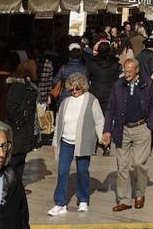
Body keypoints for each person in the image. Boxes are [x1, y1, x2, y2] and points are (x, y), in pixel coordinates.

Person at [102, 58, 153, 211]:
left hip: (142, 128)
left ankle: (140, 194)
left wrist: (150, 125)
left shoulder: (147, 83)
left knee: (139, 164)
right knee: (122, 166)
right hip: (122, 129)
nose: (125, 74)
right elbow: (111, 109)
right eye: (124, 70)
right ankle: (124, 200)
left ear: (137, 70)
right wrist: (107, 129)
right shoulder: (118, 86)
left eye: (129, 71)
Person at [47, 72, 104, 216]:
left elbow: (99, 121)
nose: (74, 92)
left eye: (77, 89)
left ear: (83, 87)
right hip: (66, 141)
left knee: (82, 171)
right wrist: (55, 142)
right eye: (72, 89)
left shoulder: (92, 100)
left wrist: (102, 138)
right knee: (62, 171)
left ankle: (83, 199)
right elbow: (59, 123)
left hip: (83, 142)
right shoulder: (66, 102)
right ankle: (60, 203)